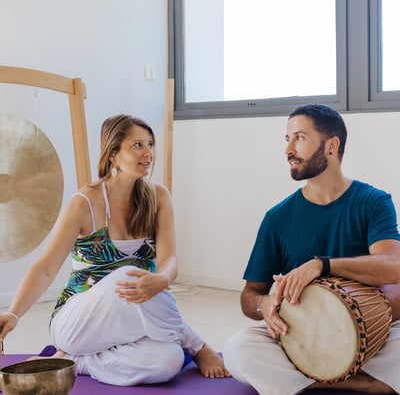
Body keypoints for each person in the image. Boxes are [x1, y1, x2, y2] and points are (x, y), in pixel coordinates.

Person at [0, 114, 230, 385]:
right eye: (138, 145)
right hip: (78, 323)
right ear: (113, 154)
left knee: (168, 360)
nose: (148, 153)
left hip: (129, 319)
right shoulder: (84, 202)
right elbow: (46, 268)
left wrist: (163, 279)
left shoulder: (158, 197)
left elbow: (169, 259)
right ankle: (199, 346)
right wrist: (13, 314)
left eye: (150, 145)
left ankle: (74, 361)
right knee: (128, 275)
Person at [223, 103, 400, 394]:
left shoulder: (373, 201)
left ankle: (303, 382)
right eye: (287, 139)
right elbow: (249, 295)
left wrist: (323, 265)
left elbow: (393, 266)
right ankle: (361, 384)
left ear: (332, 145)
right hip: (301, 336)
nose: (288, 149)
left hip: (375, 334)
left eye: (300, 137)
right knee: (238, 351)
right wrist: (263, 305)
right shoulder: (277, 217)